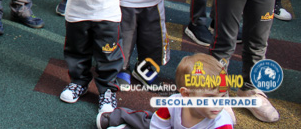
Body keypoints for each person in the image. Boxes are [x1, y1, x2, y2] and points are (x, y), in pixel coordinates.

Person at [96, 53, 235, 129]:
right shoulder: (173, 104)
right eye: (210, 97)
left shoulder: (222, 124)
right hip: (167, 124)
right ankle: (114, 117)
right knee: (146, 119)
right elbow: (157, 126)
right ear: (186, 94)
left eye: (223, 97)